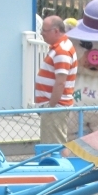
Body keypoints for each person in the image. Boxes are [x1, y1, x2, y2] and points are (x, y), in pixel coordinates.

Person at [35, 16, 79, 145]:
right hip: (55, 105)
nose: (41, 33)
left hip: (56, 106)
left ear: (56, 31)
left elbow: (60, 82)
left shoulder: (62, 51)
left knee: (54, 145)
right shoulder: (60, 47)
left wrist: (51, 106)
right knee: (52, 143)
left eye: (44, 30)